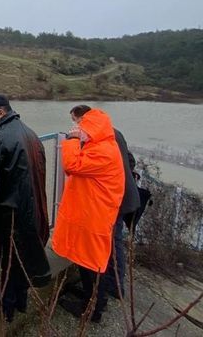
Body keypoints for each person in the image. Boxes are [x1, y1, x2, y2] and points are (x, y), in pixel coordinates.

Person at [0, 94, 51, 322]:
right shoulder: (30, 134)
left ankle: (4, 305)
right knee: (25, 255)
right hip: (32, 207)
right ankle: (21, 301)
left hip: (8, 210)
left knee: (5, 258)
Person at [53, 108, 125, 323]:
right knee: (89, 260)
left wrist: (72, 140)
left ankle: (92, 309)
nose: (79, 131)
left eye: (82, 128)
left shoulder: (102, 151)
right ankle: (91, 298)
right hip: (94, 213)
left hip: (95, 216)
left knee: (92, 263)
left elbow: (72, 165)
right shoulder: (102, 146)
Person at [70, 105, 140, 299]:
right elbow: (130, 160)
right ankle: (112, 286)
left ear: (83, 119)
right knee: (113, 241)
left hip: (112, 199)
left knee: (110, 242)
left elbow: (76, 166)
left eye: (75, 121)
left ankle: (109, 288)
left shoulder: (94, 138)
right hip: (122, 194)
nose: (75, 126)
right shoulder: (113, 132)